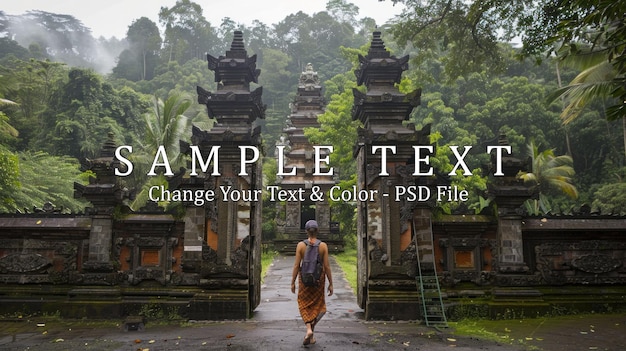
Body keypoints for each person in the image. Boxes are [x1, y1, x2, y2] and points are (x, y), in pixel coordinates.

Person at [291, 219, 333, 345]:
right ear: (318, 231)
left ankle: (309, 330)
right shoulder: (323, 246)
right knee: (318, 306)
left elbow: (296, 265)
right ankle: (311, 333)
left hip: (304, 279)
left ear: (306, 231)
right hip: (319, 280)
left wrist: (292, 282)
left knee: (304, 304)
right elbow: (327, 266)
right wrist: (331, 283)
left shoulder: (300, 245)